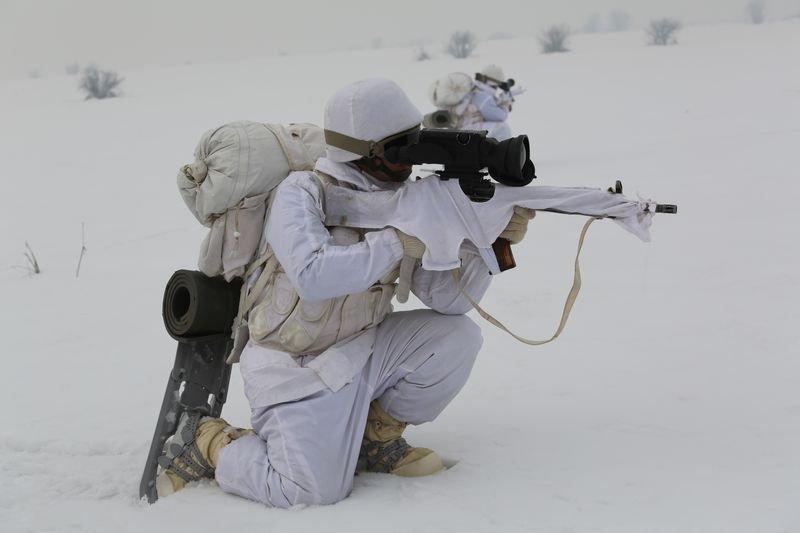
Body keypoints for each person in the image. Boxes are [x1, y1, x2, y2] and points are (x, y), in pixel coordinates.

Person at [155, 78, 536, 508]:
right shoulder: (301, 192)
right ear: (366, 151)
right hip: (294, 364)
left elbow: (444, 300)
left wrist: (486, 243)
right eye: (399, 151)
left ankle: (374, 439)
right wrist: (397, 240)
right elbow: (313, 274)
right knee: (309, 490)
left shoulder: (402, 200)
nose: (408, 165)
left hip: (361, 348)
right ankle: (206, 441)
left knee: (456, 338)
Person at [450, 64, 519, 141]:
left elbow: (488, 108)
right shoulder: (482, 95)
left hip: (462, 127)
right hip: (465, 130)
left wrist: (503, 99)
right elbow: (499, 117)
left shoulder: (476, 89)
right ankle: (499, 152)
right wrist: (506, 104)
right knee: (503, 128)